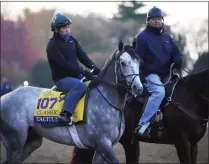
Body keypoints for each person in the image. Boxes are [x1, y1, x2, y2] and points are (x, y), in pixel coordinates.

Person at [134, 6, 184, 137]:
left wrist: (179, 59)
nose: (157, 21)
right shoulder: (141, 37)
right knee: (159, 92)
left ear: (162, 21)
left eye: (159, 19)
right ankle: (142, 123)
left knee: (180, 91)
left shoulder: (166, 37)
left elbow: (176, 53)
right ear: (148, 21)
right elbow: (137, 60)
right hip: (149, 74)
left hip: (166, 74)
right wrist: (141, 76)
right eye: (154, 19)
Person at [46, 12, 100, 124]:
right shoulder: (52, 45)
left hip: (76, 75)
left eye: (68, 27)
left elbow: (82, 55)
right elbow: (64, 64)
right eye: (64, 27)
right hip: (61, 79)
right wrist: (83, 71)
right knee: (80, 86)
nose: (68, 30)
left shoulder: (72, 40)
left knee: (96, 83)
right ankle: (64, 114)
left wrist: (93, 67)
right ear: (56, 29)